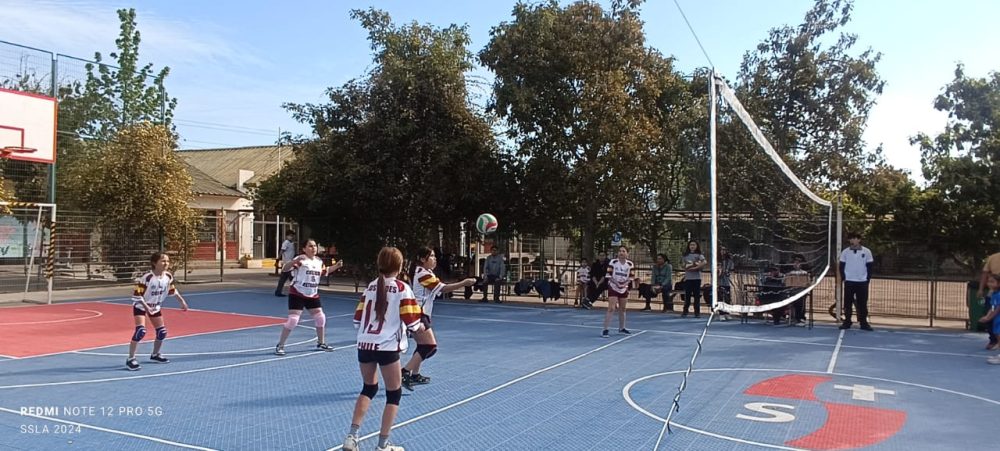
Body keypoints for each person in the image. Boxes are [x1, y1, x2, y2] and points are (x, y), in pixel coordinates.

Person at [342, 247, 424, 451]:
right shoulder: (402, 288)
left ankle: (352, 437)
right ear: (400, 265)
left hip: (364, 344)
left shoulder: (370, 287)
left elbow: (357, 320)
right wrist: (420, 327)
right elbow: (413, 323)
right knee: (393, 394)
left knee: (368, 388)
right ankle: (383, 444)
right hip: (387, 347)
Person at [402, 247, 476, 390]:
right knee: (430, 346)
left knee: (422, 346)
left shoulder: (425, 272)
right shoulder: (423, 274)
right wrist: (463, 283)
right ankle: (404, 372)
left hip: (421, 313)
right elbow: (442, 289)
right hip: (418, 313)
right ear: (423, 259)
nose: (435, 259)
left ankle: (415, 374)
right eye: (432, 256)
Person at [274, 239, 343, 356]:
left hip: (312, 294)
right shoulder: (301, 260)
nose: (313, 248)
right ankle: (280, 345)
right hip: (297, 293)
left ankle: (321, 342)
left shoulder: (319, 261)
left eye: (315, 246)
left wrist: (336, 266)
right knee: (293, 320)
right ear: (304, 249)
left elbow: (325, 272)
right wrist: (292, 262)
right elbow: (285, 269)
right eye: (310, 246)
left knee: (321, 318)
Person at [126, 252, 189, 371]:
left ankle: (155, 354)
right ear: (155, 263)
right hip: (141, 306)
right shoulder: (147, 278)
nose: (166, 263)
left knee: (162, 332)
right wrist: (146, 306)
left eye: (167, 261)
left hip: (155, 307)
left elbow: (172, 290)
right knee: (140, 331)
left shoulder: (168, 277)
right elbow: (137, 295)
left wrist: (182, 301)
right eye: (163, 261)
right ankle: (131, 358)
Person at [839, 232, 874, 331]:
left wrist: (867, 278)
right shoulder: (845, 252)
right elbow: (841, 266)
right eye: (851, 239)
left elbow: (870, 266)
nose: (853, 241)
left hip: (862, 281)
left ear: (859, 240)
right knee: (847, 303)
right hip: (849, 281)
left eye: (855, 238)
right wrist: (844, 277)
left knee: (862, 303)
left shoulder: (866, 251)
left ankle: (863, 323)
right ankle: (847, 321)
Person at [601, 246, 635, 338]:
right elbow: (608, 275)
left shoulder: (630, 264)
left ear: (627, 253)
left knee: (623, 309)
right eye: (620, 251)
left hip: (624, 288)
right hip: (613, 287)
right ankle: (605, 329)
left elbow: (631, 277)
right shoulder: (613, 262)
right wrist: (617, 283)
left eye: (623, 251)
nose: (621, 252)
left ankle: (622, 328)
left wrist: (624, 284)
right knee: (611, 308)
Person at [976, 252, 1000, 350]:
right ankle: (994, 341)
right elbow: (985, 273)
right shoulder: (993, 258)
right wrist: (988, 316)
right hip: (993, 293)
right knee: (995, 328)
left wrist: (989, 316)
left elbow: (997, 308)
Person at [977, 274, 1000, 364]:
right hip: (997, 320)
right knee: (997, 335)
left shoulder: (999, 295)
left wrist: (988, 318)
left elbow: (997, 309)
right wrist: (987, 316)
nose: (989, 283)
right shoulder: (994, 294)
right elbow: (993, 307)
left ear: (998, 284)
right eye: (988, 281)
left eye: (992, 282)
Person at [681, 241, 707, 318]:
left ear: (696, 246)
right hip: (688, 278)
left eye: (694, 245)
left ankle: (697, 312)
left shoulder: (699, 255)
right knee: (687, 295)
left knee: (696, 296)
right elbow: (682, 264)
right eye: (691, 245)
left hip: (696, 278)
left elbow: (704, 262)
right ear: (688, 246)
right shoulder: (685, 255)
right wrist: (687, 267)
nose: (692, 246)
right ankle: (685, 311)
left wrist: (696, 267)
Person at [784, 255, 810, 327]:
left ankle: (800, 318)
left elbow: (807, 283)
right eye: (795, 263)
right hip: (792, 291)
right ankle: (792, 317)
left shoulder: (804, 273)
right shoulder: (790, 273)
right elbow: (787, 282)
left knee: (800, 305)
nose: (796, 265)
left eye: (798, 263)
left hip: (801, 291)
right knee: (792, 304)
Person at [274, 231, 296, 296]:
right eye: (290, 235)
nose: (292, 237)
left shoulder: (292, 243)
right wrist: (277, 259)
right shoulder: (286, 243)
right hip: (287, 263)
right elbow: (281, 251)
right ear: (287, 236)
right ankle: (295, 292)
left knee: (283, 279)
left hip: (290, 263)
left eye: (292, 236)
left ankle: (278, 291)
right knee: (292, 278)